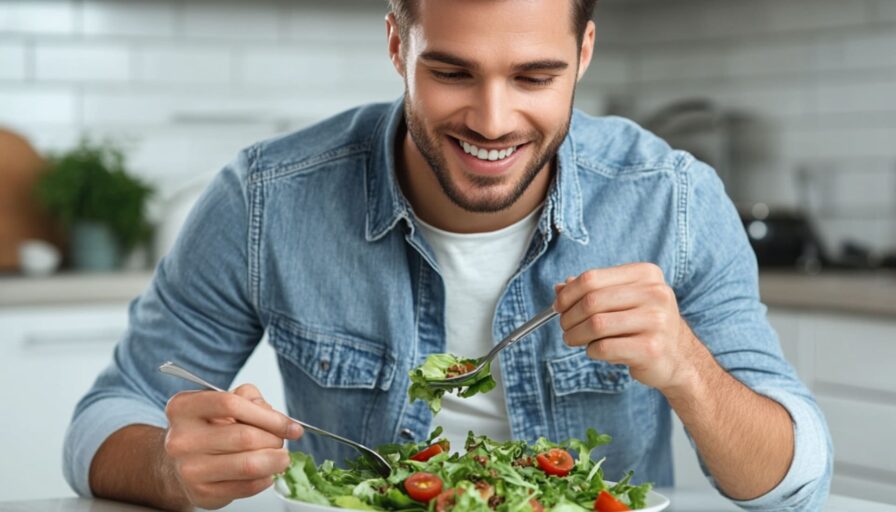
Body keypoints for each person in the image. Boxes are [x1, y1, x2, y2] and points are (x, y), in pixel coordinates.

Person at [63, 0, 832, 510]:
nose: (493, 121)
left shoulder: (676, 201)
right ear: (398, 43)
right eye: (452, 71)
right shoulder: (266, 200)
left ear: (585, 51)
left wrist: (689, 370)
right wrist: (172, 466)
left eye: (535, 76)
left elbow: (796, 484)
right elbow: (102, 419)